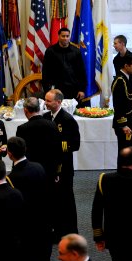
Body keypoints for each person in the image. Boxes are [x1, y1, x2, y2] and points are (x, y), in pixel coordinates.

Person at [6, 137, 50, 261]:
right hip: (41, 223)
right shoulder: (38, 167)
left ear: (9, 154)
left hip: (24, 229)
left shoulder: (12, 178)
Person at [43, 89, 80, 238]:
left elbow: (75, 144)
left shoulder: (67, 120)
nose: (45, 103)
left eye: (48, 101)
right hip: (49, 166)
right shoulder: (46, 117)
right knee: (52, 199)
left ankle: (70, 230)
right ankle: (56, 229)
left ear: (58, 102)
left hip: (63, 166)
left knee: (66, 199)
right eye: (45, 100)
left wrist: (56, 146)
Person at [16, 97, 62, 183]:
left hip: (30, 171)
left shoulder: (22, 128)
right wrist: (56, 172)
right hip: (49, 169)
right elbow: (57, 150)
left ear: (25, 110)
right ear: (38, 108)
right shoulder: (52, 125)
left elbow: (20, 153)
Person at [42, 27, 86, 106]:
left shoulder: (76, 51)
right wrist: (47, 90)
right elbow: (45, 72)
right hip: (56, 89)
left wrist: (82, 89)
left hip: (73, 89)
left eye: (67, 36)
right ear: (58, 36)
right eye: (63, 36)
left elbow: (81, 72)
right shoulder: (50, 51)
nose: (65, 38)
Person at [111, 55, 132, 154]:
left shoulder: (128, 79)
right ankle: (123, 170)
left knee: (130, 150)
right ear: (126, 66)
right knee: (124, 150)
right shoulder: (120, 81)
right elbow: (118, 105)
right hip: (124, 122)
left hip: (131, 120)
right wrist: (123, 125)